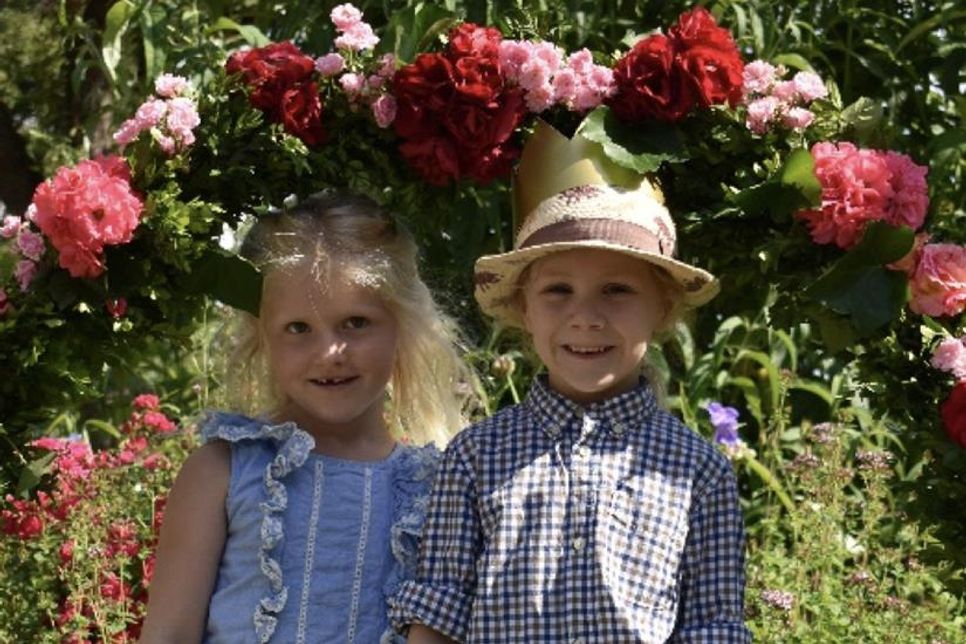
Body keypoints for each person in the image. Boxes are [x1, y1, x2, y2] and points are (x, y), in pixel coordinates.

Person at [389, 121, 751, 643]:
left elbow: (711, 627)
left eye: (616, 290)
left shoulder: (697, 472)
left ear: (663, 306)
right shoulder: (476, 457)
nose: (585, 318)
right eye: (558, 291)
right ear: (524, 308)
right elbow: (439, 611)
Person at [140, 192, 470, 643]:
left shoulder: (434, 491)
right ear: (262, 337)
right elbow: (169, 634)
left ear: (402, 325)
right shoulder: (223, 471)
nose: (330, 352)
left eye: (355, 322)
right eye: (298, 328)